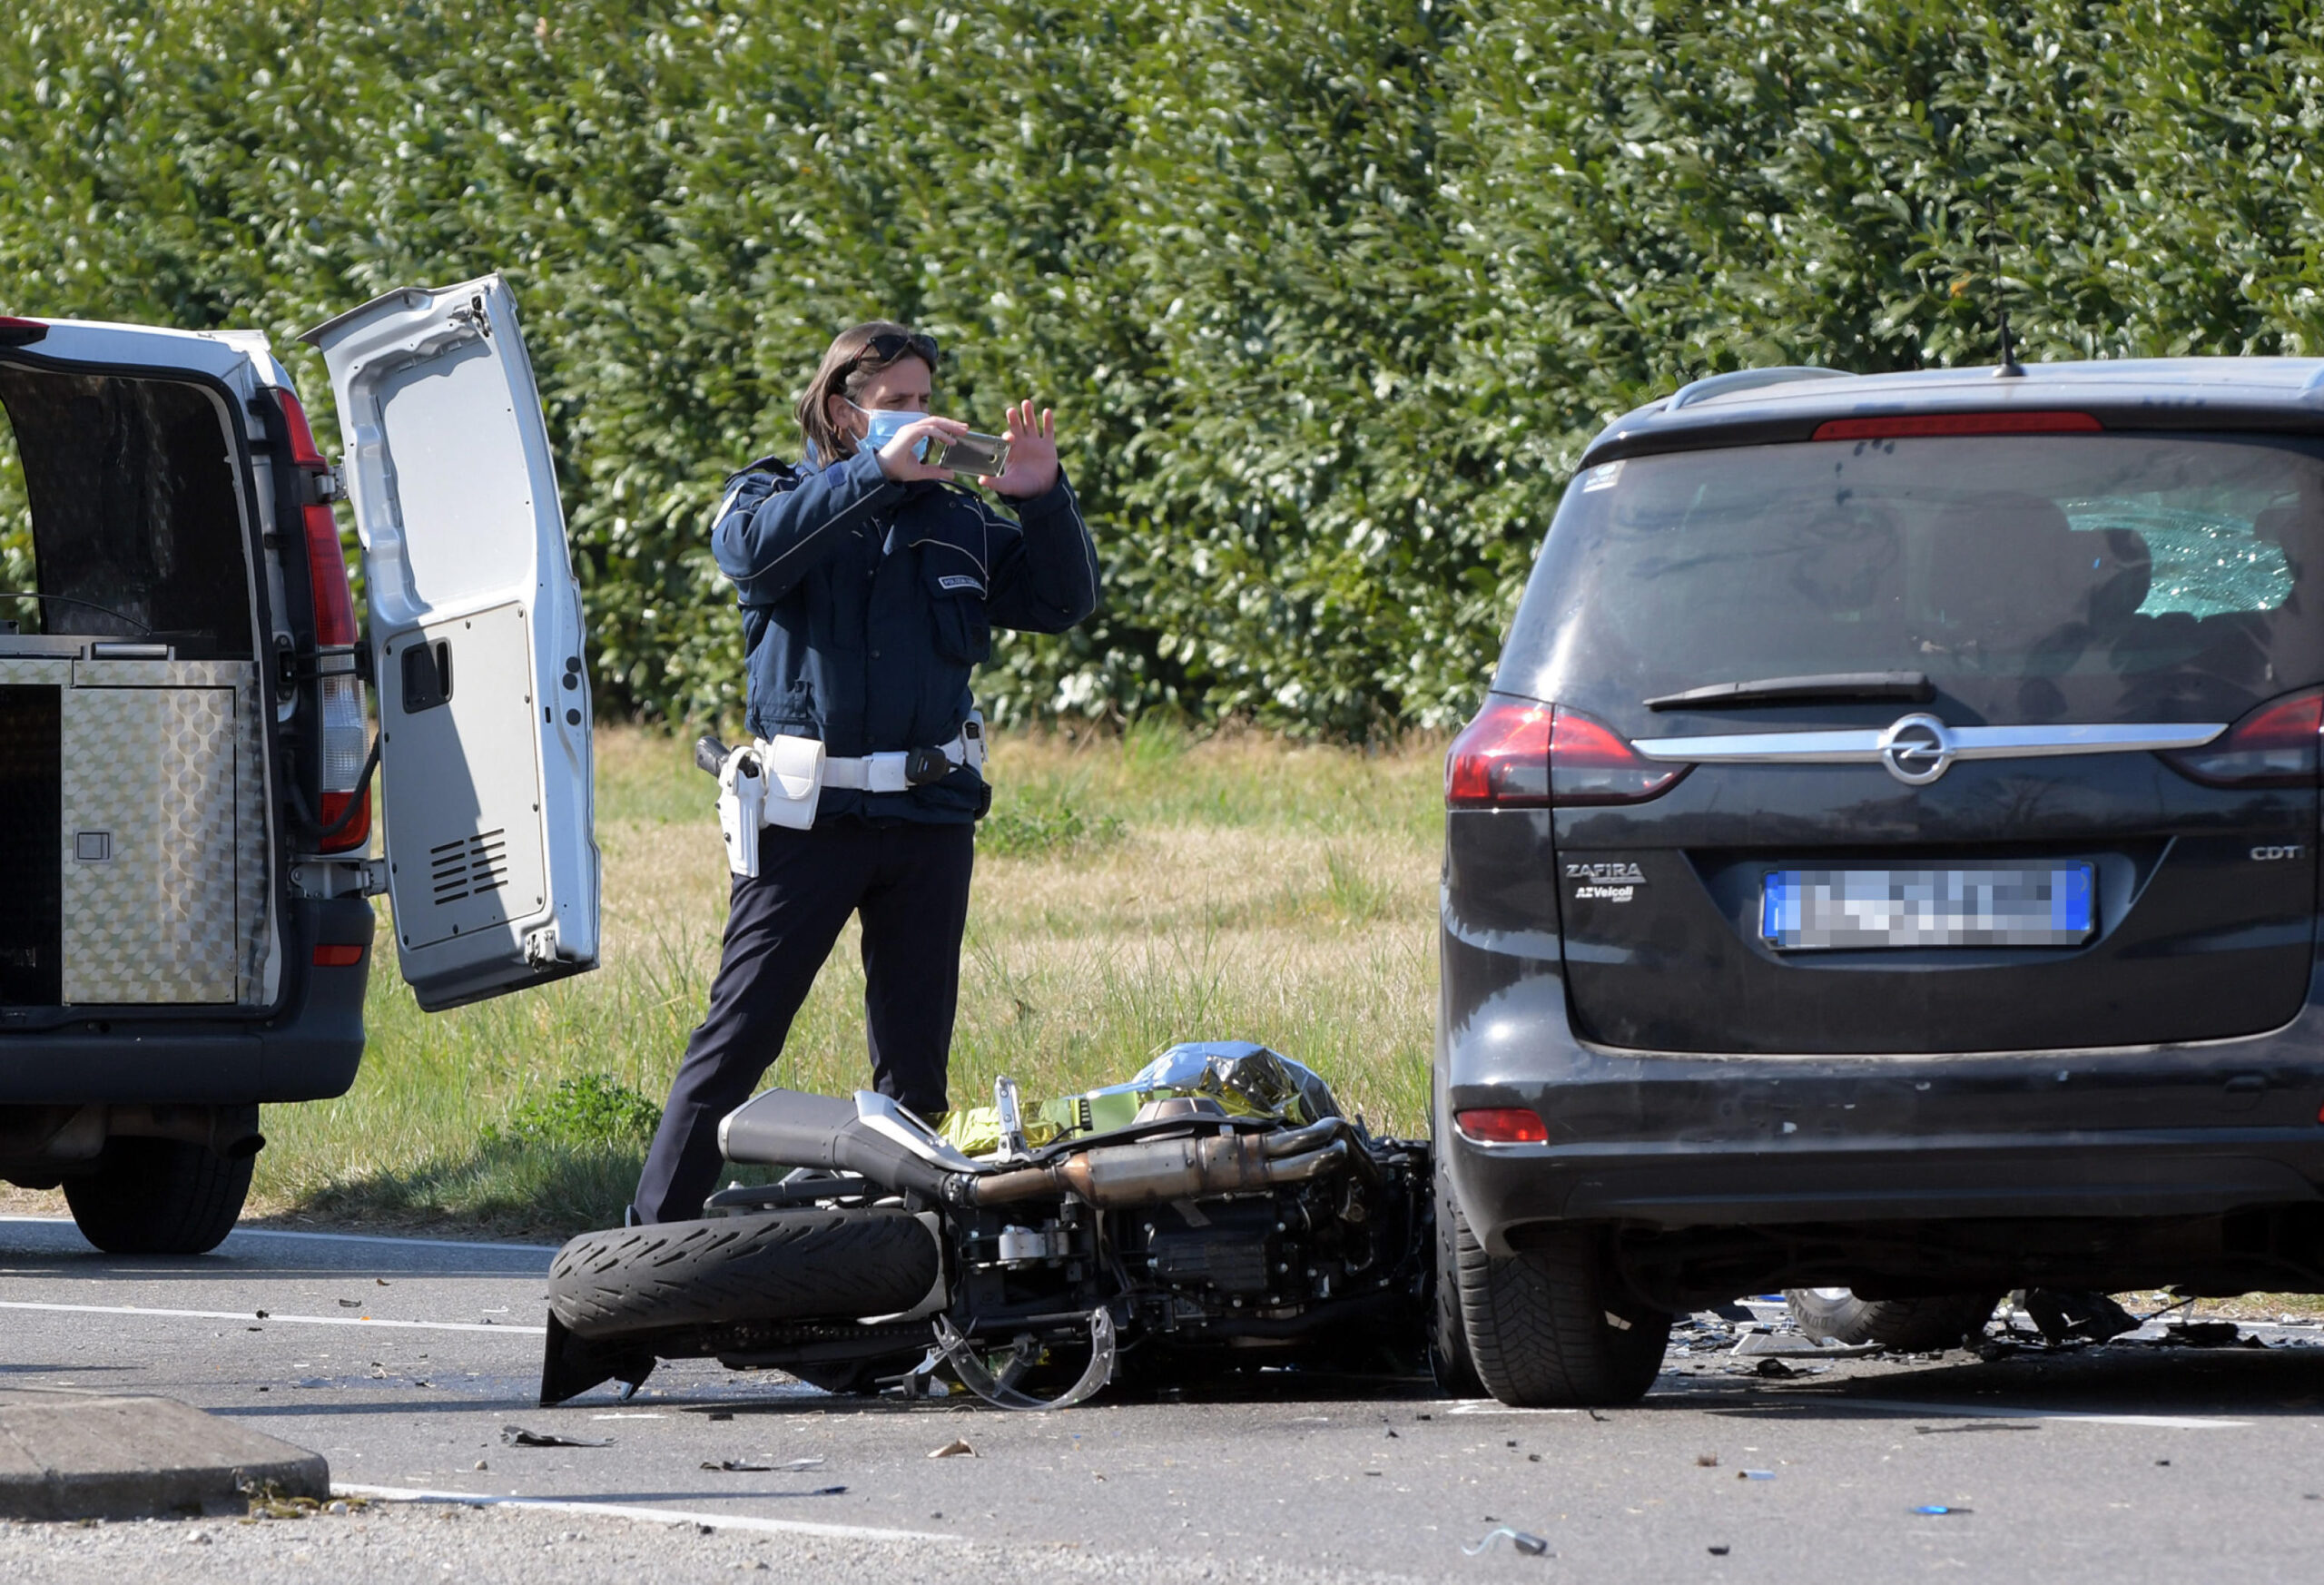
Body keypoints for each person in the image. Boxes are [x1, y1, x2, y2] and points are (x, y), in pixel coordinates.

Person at [629, 321, 1098, 1224]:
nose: (921, 422)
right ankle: (649, 1245)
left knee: (915, 1065)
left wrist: (1043, 502)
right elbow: (751, 556)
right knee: (739, 1039)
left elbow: (1062, 601)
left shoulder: (960, 519)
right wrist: (874, 476)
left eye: (927, 402)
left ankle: (912, 1264)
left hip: (928, 823)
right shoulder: (772, 494)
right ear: (845, 411)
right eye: (897, 406)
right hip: (806, 825)